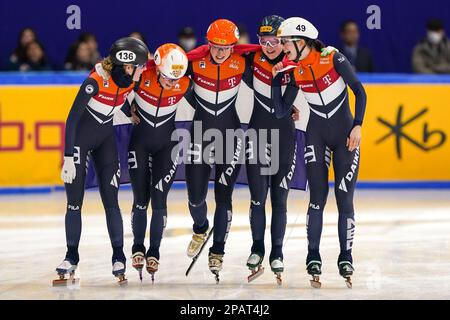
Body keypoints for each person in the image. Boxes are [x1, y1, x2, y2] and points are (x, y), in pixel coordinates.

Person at [274, 17, 367, 288]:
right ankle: (313, 256)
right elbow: (280, 110)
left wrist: (358, 126)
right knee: (317, 197)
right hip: (316, 134)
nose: (281, 48)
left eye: (285, 43)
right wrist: (277, 77)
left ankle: (345, 256)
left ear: (301, 42)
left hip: (344, 134)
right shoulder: (293, 69)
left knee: (343, 197)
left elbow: (359, 92)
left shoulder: (332, 58)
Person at [54, 37, 149, 285]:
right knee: (74, 203)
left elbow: (125, 98)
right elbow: (72, 120)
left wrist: (133, 113)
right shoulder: (95, 81)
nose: (140, 70)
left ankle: (118, 256)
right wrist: (68, 157)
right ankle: (71, 256)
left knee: (111, 201)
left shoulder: (128, 82)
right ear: (123, 66)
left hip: (105, 142)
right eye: (136, 66)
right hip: (80, 143)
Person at [184, 19, 253, 283]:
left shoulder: (241, 63)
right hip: (199, 137)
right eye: (215, 46)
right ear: (208, 43)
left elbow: (266, 84)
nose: (220, 52)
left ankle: (217, 251)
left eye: (226, 48)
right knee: (195, 198)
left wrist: (287, 104)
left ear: (234, 46)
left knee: (224, 197)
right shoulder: (194, 63)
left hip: (231, 136)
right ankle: (200, 229)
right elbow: (167, 77)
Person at [128, 43, 193, 282]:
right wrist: (128, 109)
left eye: (176, 79)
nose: (172, 83)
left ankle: (154, 250)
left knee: (160, 200)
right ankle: (137, 246)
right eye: (167, 77)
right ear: (156, 68)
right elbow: (117, 87)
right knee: (141, 199)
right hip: (140, 144)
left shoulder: (186, 82)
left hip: (167, 146)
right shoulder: (141, 76)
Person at [243, 15, 299, 284]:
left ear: (283, 40)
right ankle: (257, 248)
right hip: (256, 135)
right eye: (263, 41)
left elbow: (283, 107)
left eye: (274, 41)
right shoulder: (252, 59)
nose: (269, 46)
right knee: (257, 198)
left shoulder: (293, 65)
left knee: (279, 199)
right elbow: (224, 51)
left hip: (285, 137)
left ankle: (277, 252)